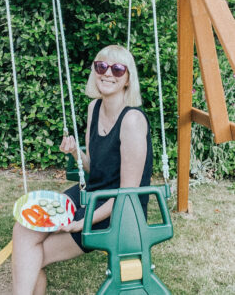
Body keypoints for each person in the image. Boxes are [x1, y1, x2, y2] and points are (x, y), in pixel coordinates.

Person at [12, 44, 153, 295]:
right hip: (91, 194)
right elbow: (93, 169)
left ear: (128, 79)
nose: (108, 73)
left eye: (117, 69)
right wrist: (76, 152)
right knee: (24, 228)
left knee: (33, 257)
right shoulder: (94, 109)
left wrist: (82, 222)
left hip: (119, 212)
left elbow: (127, 194)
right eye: (101, 66)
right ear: (94, 71)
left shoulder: (132, 121)